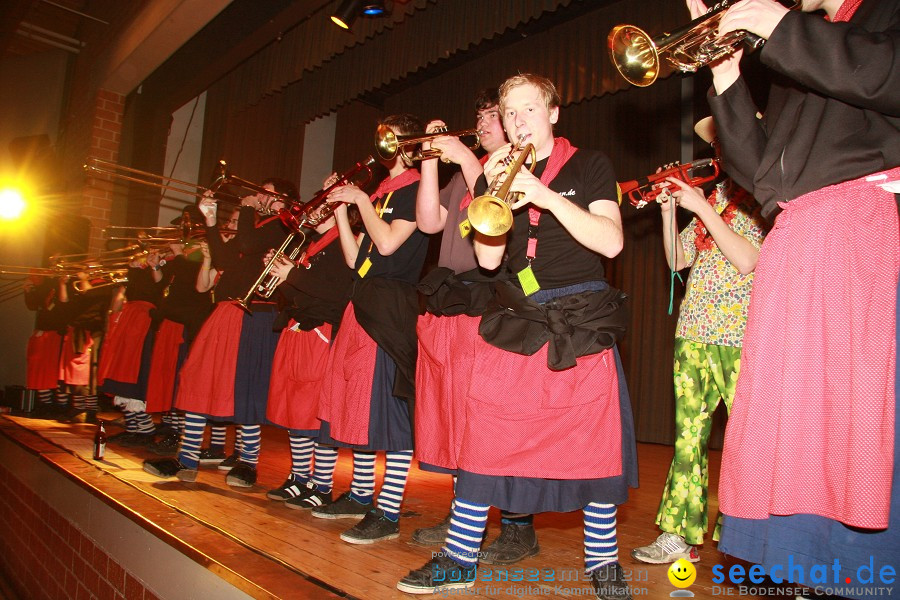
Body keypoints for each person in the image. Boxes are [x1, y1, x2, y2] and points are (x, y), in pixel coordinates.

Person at [398, 74, 636, 600]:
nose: (518, 121)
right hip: (517, 316)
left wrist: (546, 196)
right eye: (509, 112)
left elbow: (612, 243)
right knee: (483, 440)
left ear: (553, 114)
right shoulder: (492, 174)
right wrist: (492, 193)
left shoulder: (589, 165)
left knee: (592, 448)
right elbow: (486, 261)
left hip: (580, 317)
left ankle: (602, 563)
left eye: (529, 109)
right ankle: (460, 557)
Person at [692, 0, 900, 595]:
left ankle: (857, 575)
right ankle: (794, 566)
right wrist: (728, 76)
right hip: (798, 235)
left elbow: (885, 75)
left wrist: (778, 27)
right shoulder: (803, 48)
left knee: (849, 420)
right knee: (785, 421)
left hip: (858, 227)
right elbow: (762, 173)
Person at [411, 89, 541, 565]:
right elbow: (428, 223)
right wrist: (429, 157)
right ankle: (464, 514)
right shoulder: (460, 179)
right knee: (456, 416)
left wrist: (465, 155)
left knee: (494, 418)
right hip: (452, 300)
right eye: (480, 115)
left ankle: (517, 526)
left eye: (493, 115)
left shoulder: (510, 170)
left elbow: (497, 208)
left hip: (491, 299)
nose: (484, 122)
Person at [631, 117, 767, 564]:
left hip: (740, 337)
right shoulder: (717, 197)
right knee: (688, 439)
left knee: (747, 441)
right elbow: (677, 260)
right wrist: (670, 208)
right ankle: (678, 533)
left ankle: (746, 540)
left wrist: (701, 208)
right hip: (692, 334)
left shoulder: (765, 199)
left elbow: (748, 260)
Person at [314, 113, 430, 545]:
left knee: (390, 415)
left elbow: (386, 244)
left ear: (414, 145)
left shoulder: (417, 189)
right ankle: (362, 496)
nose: (387, 147)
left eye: (396, 139)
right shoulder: (381, 192)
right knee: (359, 410)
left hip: (390, 307)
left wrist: (360, 201)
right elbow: (354, 259)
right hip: (362, 302)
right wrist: (343, 210)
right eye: (384, 138)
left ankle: (389, 510)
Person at [143, 180, 296, 487]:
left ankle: (248, 462)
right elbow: (225, 259)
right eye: (260, 190)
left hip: (256, 313)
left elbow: (248, 245)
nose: (260, 194)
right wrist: (211, 220)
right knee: (199, 380)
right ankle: (186, 458)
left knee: (246, 387)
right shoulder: (256, 224)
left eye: (268, 191)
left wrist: (248, 207)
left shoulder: (285, 224)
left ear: (285, 199)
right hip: (226, 310)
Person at [263, 198, 353, 509]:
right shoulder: (309, 246)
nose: (311, 211)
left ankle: (323, 484)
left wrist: (294, 275)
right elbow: (298, 293)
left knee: (315, 415)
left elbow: (339, 292)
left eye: (319, 206)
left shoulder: (345, 243)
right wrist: (279, 274)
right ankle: (300, 476)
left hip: (322, 333)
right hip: (298, 331)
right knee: (293, 412)